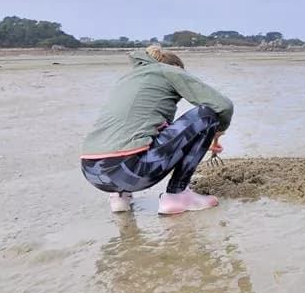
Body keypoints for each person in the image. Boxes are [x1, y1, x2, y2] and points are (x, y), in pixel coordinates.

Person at [80, 44, 234, 215]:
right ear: (175, 68)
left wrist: (201, 142)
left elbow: (147, 133)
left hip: (93, 173)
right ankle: (178, 195)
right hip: (130, 171)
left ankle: (120, 197)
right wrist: (217, 131)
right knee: (208, 114)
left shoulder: (128, 79)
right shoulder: (169, 71)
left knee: (124, 135)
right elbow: (223, 105)